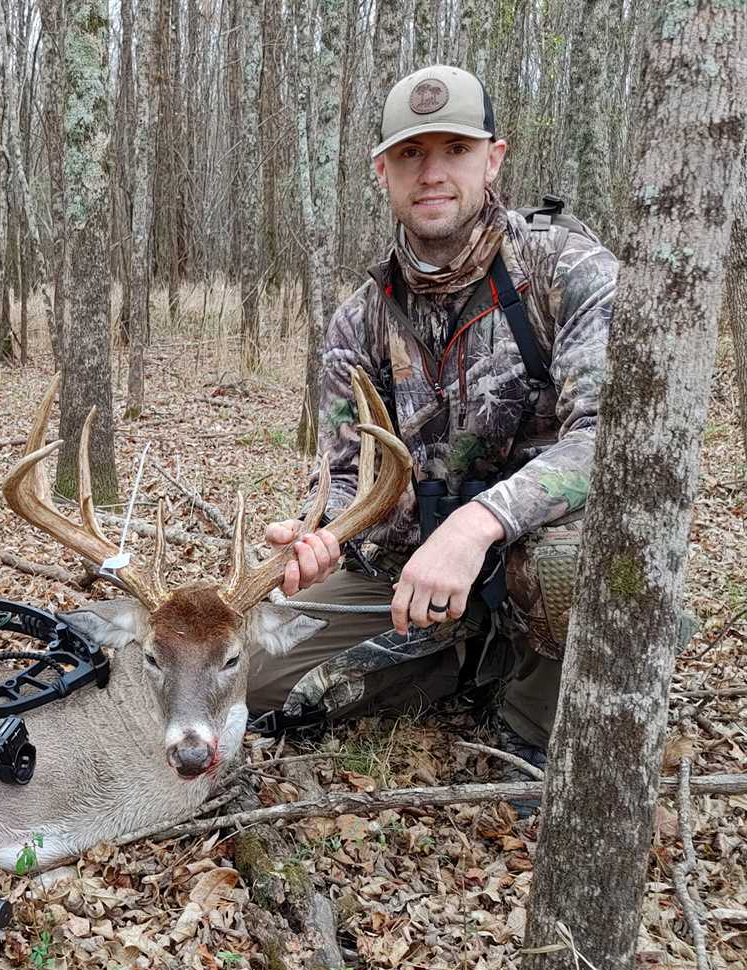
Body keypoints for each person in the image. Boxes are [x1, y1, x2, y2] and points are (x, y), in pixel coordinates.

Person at [246, 65, 618, 780]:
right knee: (253, 672)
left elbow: (605, 444)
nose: (433, 173)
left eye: (455, 149)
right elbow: (347, 473)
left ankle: (530, 726)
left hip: (527, 562)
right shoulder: (360, 318)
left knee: (570, 563)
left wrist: (477, 524)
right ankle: (460, 661)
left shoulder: (567, 269)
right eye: (413, 154)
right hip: (407, 576)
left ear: (494, 158)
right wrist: (319, 533)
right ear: (383, 170)